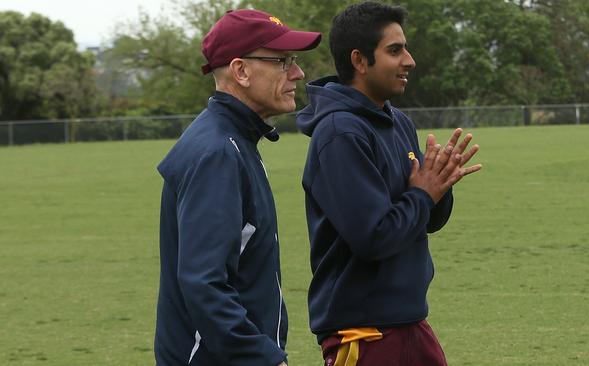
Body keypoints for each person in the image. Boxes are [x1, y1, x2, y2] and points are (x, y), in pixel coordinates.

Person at [296, 2, 481, 365]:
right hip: (364, 333)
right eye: (395, 51)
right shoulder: (339, 133)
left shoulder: (398, 122)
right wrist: (423, 192)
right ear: (360, 61)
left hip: (410, 321)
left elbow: (425, 220)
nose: (409, 60)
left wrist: (439, 186)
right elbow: (374, 237)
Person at [153, 9, 320, 366]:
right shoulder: (218, 153)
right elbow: (204, 284)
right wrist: (263, 357)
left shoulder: (233, 140)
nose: (298, 73)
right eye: (282, 61)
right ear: (241, 70)